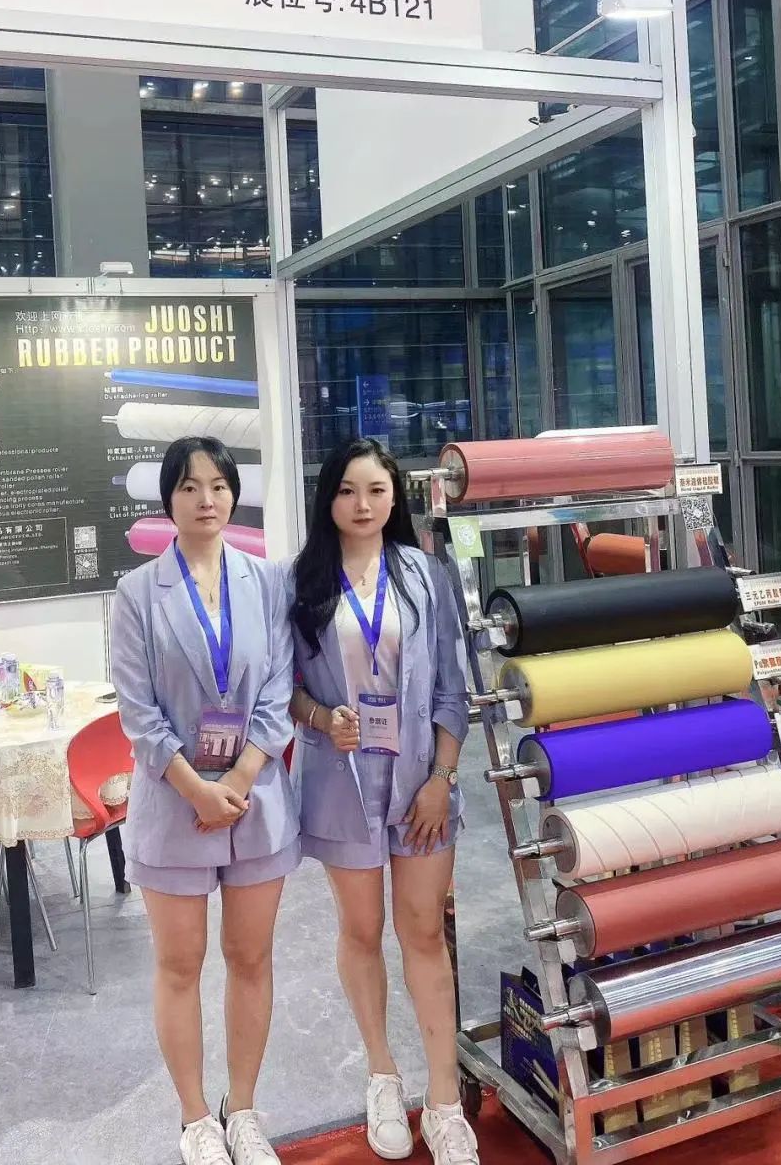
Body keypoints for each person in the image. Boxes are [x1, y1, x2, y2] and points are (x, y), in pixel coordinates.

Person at [287, 438, 477, 1165]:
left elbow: (454, 689)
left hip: (421, 784)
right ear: (328, 498)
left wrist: (441, 779)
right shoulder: (303, 582)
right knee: (361, 931)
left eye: (375, 490)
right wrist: (318, 717)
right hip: (342, 786)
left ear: (395, 496)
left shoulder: (426, 575)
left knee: (423, 933)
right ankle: (382, 1076)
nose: (361, 505)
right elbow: (282, 689)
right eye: (347, 491)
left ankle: (444, 1100)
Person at [111, 436, 300, 1165]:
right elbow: (138, 714)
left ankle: (242, 1110)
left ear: (233, 494)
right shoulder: (137, 594)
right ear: (169, 498)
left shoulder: (268, 582)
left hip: (255, 802)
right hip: (174, 804)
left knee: (251, 957)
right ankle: (195, 1118)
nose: (206, 499)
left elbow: (279, 690)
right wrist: (197, 788)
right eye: (189, 487)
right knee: (180, 964)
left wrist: (241, 779)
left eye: (218, 485)